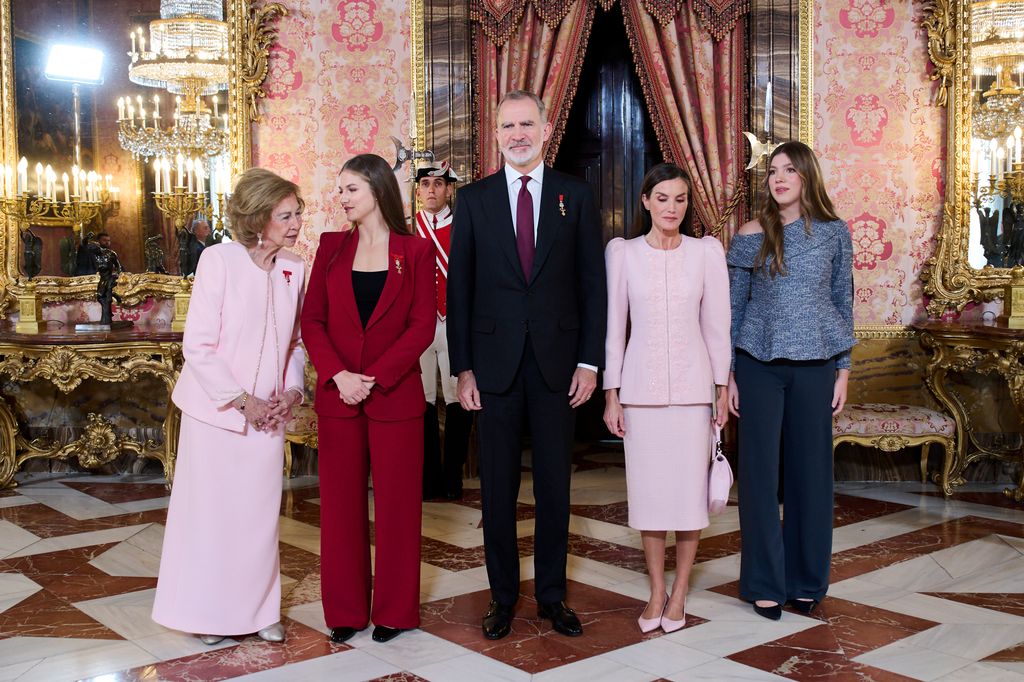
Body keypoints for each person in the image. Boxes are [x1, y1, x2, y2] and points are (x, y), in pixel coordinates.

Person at [447, 90, 606, 641]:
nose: (517, 134)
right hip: (492, 369)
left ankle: (553, 597)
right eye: (507, 126)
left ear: (545, 127)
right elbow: (460, 291)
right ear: (496, 133)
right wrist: (462, 368)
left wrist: (590, 362)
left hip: (559, 367)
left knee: (555, 490)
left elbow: (592, 285)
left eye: (526, 124)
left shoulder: (576, 195)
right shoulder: (473, 199)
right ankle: (502, 597)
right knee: (495, 489)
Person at [152, 168, 306, 644]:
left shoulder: (295, 268)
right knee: (212, 518)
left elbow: (297, 344)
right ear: (259, 218)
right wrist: (244, 402)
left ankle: (260, 613)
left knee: (259, 518)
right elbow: (197, 346)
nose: (297, 223)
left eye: (298, 213)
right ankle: (208, 617)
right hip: (215, 413)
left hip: (270, 418)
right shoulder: (218, 261)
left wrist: (292, 393)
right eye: (286, 215)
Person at [301, 153, 435, 645]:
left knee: (399, 509)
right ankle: (345, 611)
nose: (342, 198)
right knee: (340, 509)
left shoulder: (414, 252)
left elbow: (421, 326)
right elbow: (312, 320)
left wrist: (373, 377)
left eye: (351, 189)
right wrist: (339, 375)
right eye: (340, 190)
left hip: (394, 397)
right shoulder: (331, 248)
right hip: (339, 398)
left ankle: (396, 612)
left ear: (377, 190)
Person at [726, 141, 854, 620]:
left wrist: (844, 368)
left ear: (806, 177)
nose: (778, 178)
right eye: (772, 171)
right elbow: (732, 309)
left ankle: (806, 581)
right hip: (758, 364)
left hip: (818, 365)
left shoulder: (835, 233)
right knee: (759, 476)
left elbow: (844, 300)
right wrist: (730, 374)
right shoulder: (750, 233)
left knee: (811, 477)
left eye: (789, 170)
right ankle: (763, 582)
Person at [602, 163, 730, 634]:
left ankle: (679, 594)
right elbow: (615, 329)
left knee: (689, 499)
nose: (671, 207)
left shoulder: (706, 253)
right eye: (662, 198)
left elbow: (718, 327)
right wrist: (612, 394)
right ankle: (656, 589)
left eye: (679, 199)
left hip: (695, 394)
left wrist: (721, 387)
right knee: (652, 498)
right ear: (645, 202)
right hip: (640, 393)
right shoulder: (623, 253)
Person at [414, 161, 473, 501]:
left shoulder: (464, 225)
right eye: (426, 184)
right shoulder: (408, 229)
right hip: (421, 323)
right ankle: (427, 479)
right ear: (418, 190)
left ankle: (453, 478)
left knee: (456, 399)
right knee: (422, 399)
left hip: (454, 322)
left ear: (450, 189)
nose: (432, 190)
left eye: (439, 184)